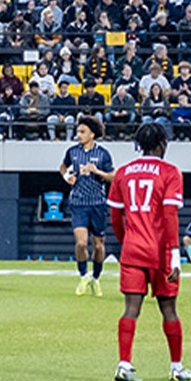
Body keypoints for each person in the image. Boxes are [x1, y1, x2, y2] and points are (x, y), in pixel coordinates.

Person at [108, 122, 191, 381]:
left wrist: (127, 241)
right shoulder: (170, 172)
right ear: (161, 144)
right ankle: (176, 368)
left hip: (132, 250)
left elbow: (114, 216)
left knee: (131, 308)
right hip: (161, 251)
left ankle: (124, 365)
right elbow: (169, 215)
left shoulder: (123, 172)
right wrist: (176, 254)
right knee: (169, 309)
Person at [61, 115, 117, 296]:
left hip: (98, 205)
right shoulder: (72, 152)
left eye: (82, 132)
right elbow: (63, 167)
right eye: (78, 131)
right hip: (78, 203)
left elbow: (113, 177)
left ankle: (96, 279)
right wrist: (67, 176)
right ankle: (84, 275)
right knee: (81, 243)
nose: (79, 135)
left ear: (92, 134)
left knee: (99, 246)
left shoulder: (103, 154)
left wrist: (97, 171)